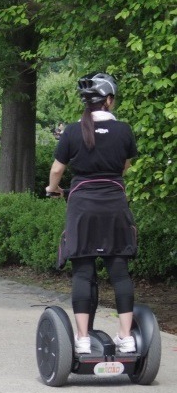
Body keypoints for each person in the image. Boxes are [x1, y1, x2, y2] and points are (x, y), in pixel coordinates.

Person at [46, 72, 138, 354]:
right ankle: (126, 337)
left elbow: (57, 170)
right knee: (120, 273)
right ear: (109, 101)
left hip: (83, 207)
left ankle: (83, 339)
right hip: (114, 206)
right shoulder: (124, 130)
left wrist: (53, 189)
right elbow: (124, 168)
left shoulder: (72, 132)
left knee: (83, 273)